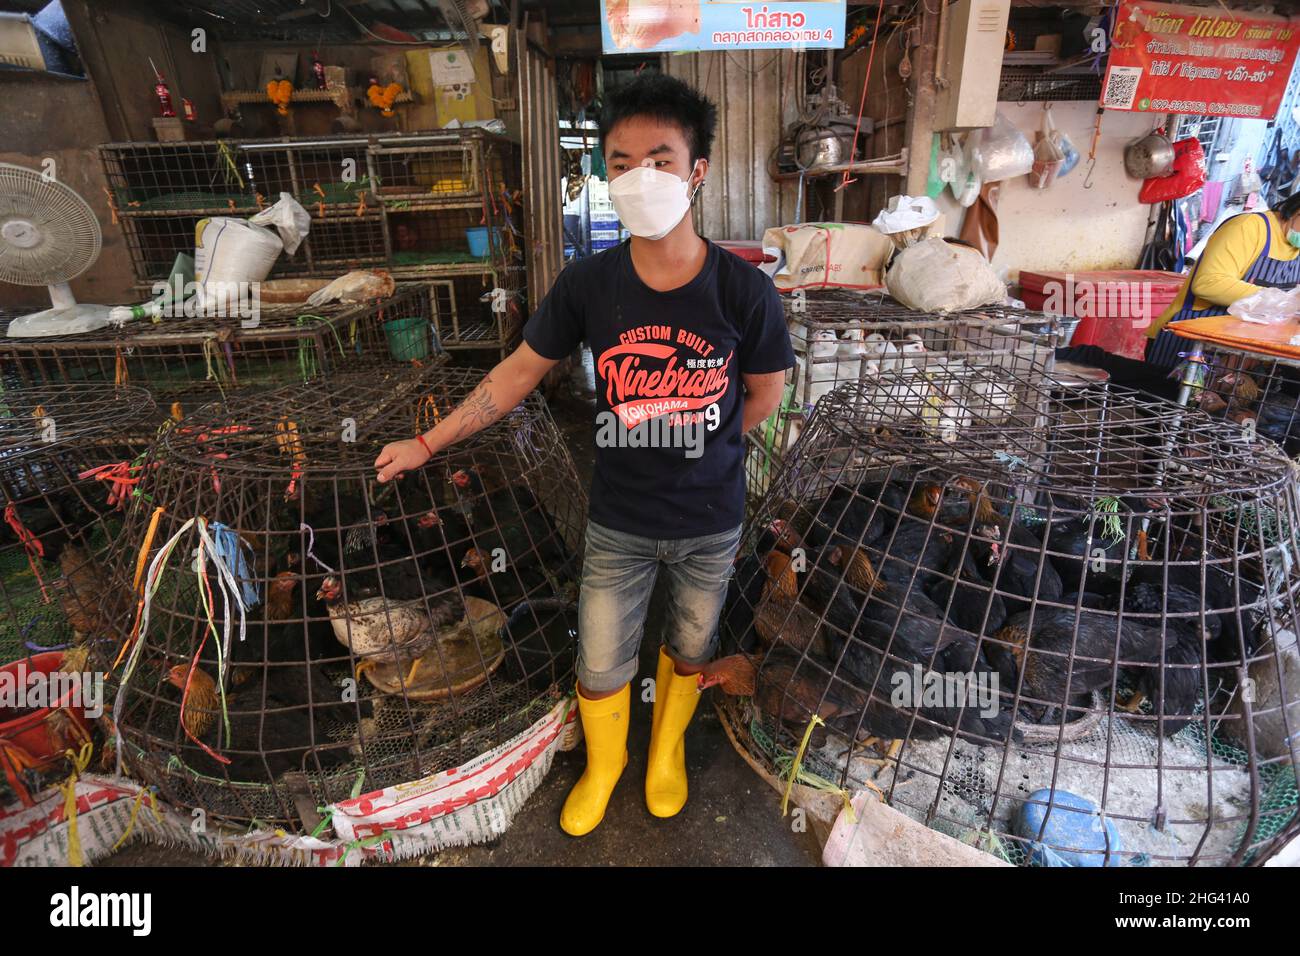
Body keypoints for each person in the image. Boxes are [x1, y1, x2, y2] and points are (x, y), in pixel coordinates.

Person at [374, 74, 794, 836]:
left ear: (698, 169)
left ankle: (664, 755)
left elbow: (765, 392)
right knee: (601, 661)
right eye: (622, 161)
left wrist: (704, 441)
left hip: (711, 518)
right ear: (605, 173)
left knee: (691, 648)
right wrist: (428, 441)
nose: (642, 178)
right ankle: (606, 765)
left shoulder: (744, 291)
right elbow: (515, 376)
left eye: (661, 160)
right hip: (620, 520)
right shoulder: (589, 284)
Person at [1059, 190, 1300, 397]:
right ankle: (1067, 360)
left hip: (1235, 348)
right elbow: (1208, 283)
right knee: (1165, 411)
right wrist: (1282, 300)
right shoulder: (1250, 228)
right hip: (1186, 336)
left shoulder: (1295, 248)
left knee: (1194, 418)